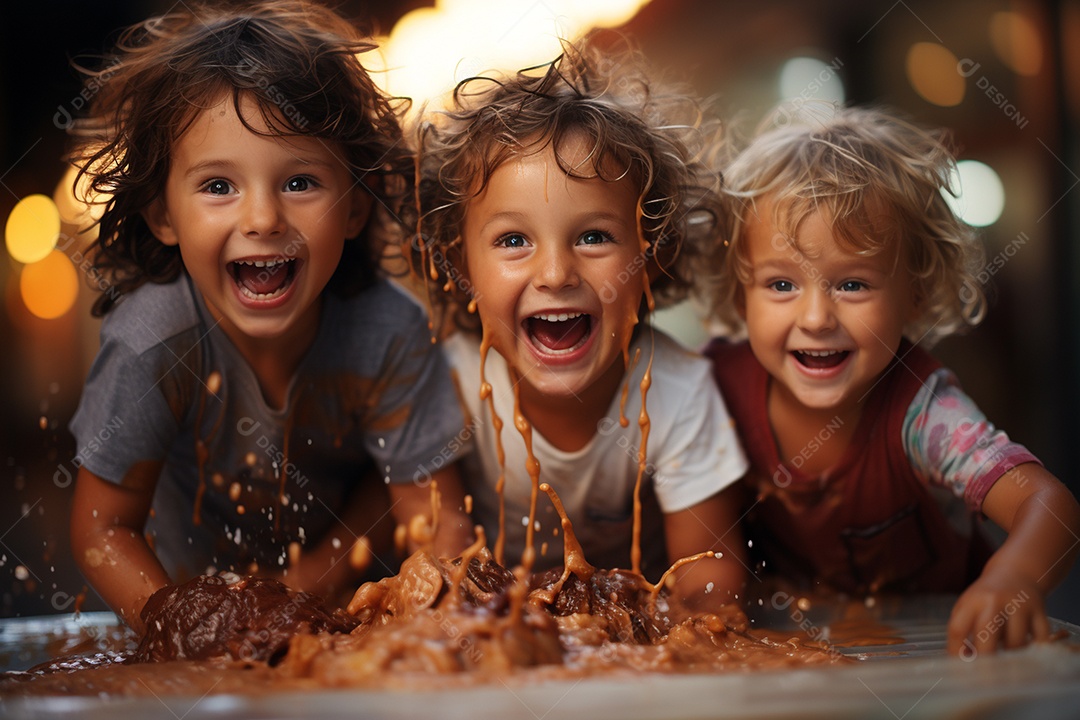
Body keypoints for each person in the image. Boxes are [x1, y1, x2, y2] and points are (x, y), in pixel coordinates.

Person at [65, 1, 474, 634]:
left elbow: (437, 516)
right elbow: (101, 529)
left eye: (300, 181)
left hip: (346, 613)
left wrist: (439, 631)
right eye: (218, 186)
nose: (262, 219)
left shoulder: (387, 332)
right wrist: (186, 630)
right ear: (162, 215)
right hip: (185, 607)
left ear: (357, 210)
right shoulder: (153, 344)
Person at [704, 103, 1080, 655]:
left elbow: (1051, 507)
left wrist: (1013, 579)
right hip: (789, 658)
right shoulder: (712, 389)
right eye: (781, 285)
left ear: (916, 294)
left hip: (941, 655)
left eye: (852, 284)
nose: (815, 318)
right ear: (741, 295)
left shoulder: (922, 411)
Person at [410, 36, 749, 609]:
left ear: (652, 254)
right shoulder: (444, 384)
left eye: (594, 236)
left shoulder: (678, 391)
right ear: (455, 260)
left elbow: (714, 587)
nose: (555, 272)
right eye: (513, 240)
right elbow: (439, 577)